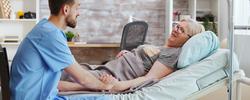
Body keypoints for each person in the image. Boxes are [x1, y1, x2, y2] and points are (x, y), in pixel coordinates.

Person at [58, 18, 205, 92]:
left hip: (115, 75)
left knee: (66, 76)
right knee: (71, 70)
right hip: (109, 67)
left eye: (182, 30)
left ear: (188, 39)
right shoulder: (164, 48)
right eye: (177, 25)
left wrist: (119, 85)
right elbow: (146, 60)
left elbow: (150, 78)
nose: (176, 29)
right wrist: (130, 54)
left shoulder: (172, 54)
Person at [10, 0, 112, 100]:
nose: (79, 13)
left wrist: (91, 86)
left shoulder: (45, 28)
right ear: (66, 9)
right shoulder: (51, 34)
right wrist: (106, 86)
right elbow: (83, 78)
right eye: (77, 8)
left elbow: (55, 84)